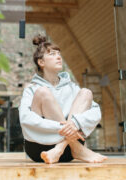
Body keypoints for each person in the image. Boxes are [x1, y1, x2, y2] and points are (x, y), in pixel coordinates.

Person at [18, 34, 107, 164]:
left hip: (66, 152)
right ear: (41, 62)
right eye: (52, 54)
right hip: (40, 147)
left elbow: (95, 112)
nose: (58, 57)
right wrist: (63, 128)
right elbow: (26, 119)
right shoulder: (31, 89)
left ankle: (62, 147)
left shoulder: (72, 88)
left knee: (86, 93)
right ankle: (78, 149)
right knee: (43, 92)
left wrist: (75, 124)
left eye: (59, 54)